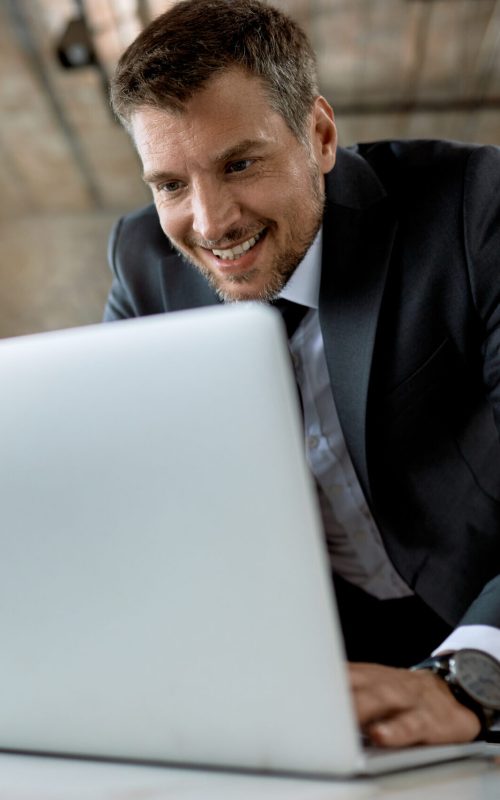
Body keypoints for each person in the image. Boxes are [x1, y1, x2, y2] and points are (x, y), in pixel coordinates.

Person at [104, 0, 500, 749]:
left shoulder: (473, 210)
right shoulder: (141, 261)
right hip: (315, 655)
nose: (211, 221)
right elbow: (129, 503)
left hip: (481, 617)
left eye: (240, 163)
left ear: (318, 135)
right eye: (169, 185)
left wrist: (473, 676)